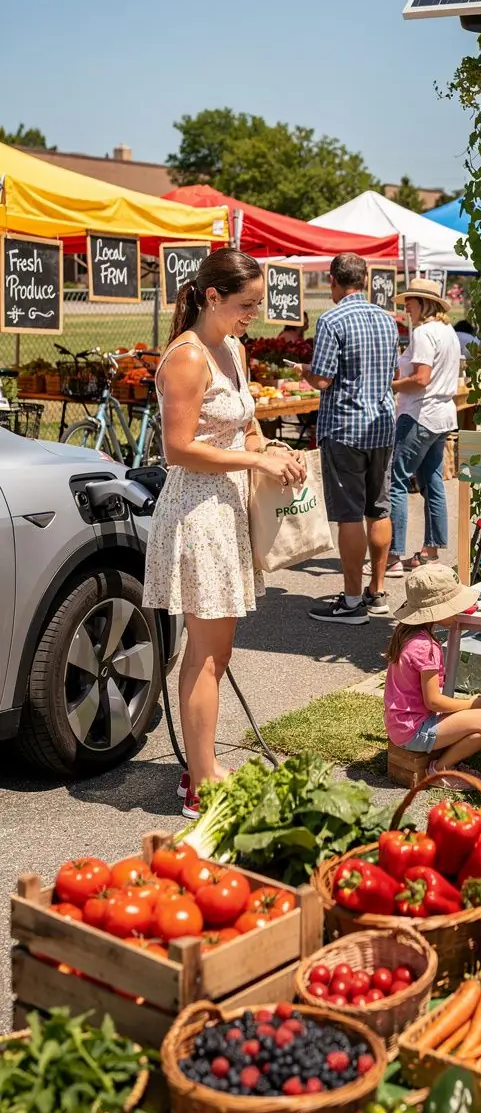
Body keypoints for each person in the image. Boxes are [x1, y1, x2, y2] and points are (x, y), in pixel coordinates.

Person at [143, 249, 306, 816]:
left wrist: (273, 450)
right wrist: (254, 463)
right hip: (198, 513)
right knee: (206, 655)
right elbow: (178, 449)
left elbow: (246, 428)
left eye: (256, 305)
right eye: (246, 305)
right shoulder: (186, 357)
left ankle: (204, 763)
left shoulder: (233, 349)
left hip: (227, 509)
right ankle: (199, 779)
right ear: (212, 297)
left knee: (218, 650)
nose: (253, 316)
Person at [294, 253, 399, 625]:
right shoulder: (388, 320)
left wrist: (305, 370)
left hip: (346, 426)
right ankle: (378, 590)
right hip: (383, 424)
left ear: (334, 280)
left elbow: (322, 378)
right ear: (366, 280)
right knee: (379, 509)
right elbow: (393, 371)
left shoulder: (332, 320)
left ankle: (352, 601)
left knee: (350, 515)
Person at [385, 564, 481, 787]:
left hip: (401, 725)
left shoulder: (407, 635)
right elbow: (434, 701)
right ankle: (440, 770)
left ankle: (445, 761)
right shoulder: (426, 648)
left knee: (480, 715)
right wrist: (471, 703)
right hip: (415, 730)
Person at [382, 278, 462, 575]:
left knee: (398, 481)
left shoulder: (425, 333)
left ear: (423, 304)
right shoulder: (448, 332)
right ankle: (430, 551)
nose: (406, 308)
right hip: (441, 415)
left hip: (420, 413)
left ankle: (393, 555)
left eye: (410, 303)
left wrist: (390, 384)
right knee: (433, 481)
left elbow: (420, 379)